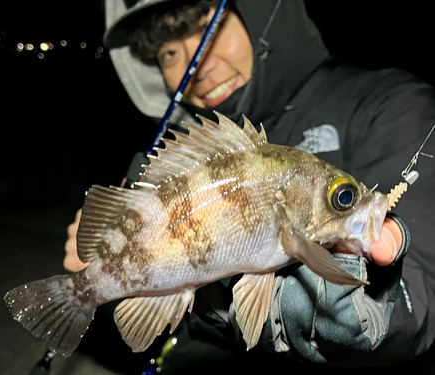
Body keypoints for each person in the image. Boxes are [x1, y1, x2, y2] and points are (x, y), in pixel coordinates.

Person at [65, 0, 435, 371]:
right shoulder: (180, 147)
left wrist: (385, 299)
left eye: (212, 26)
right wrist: (106, 252)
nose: (200, 66)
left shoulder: (392, 102)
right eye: (170, 52)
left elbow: (420, 292)